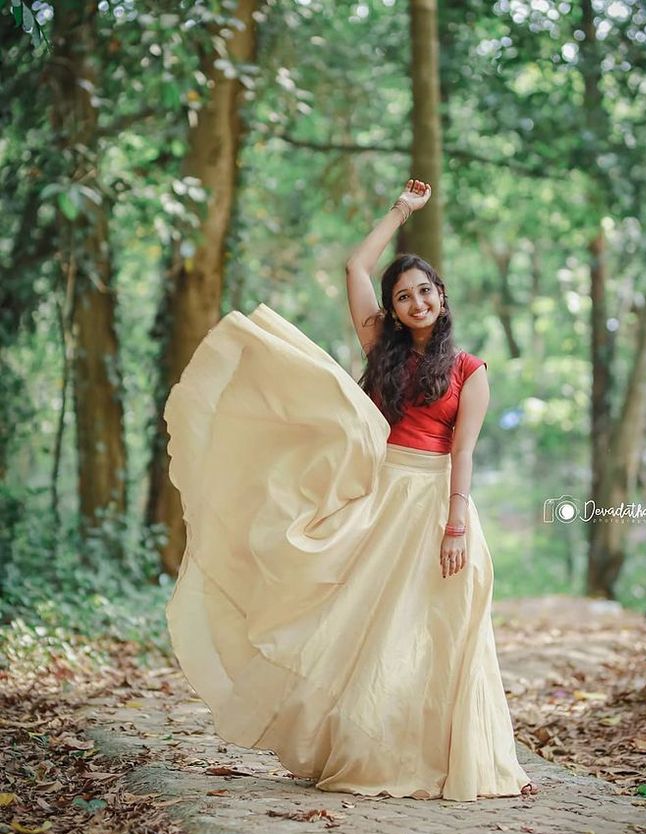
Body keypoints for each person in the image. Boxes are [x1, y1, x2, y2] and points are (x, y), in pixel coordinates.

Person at [163, 177, 538, 801]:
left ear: (441, 299)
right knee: (362, 623)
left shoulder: (470, 372)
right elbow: (356, 264)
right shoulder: (380, 348)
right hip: (379, 497)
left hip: (435, 506)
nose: (417, 303)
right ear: (391, 309)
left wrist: (455, 526)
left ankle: (448, 756)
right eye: (404, 297)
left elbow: (462, 452)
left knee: (438, 629)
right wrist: (400, 211)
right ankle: (358, 745)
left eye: (426, 292)